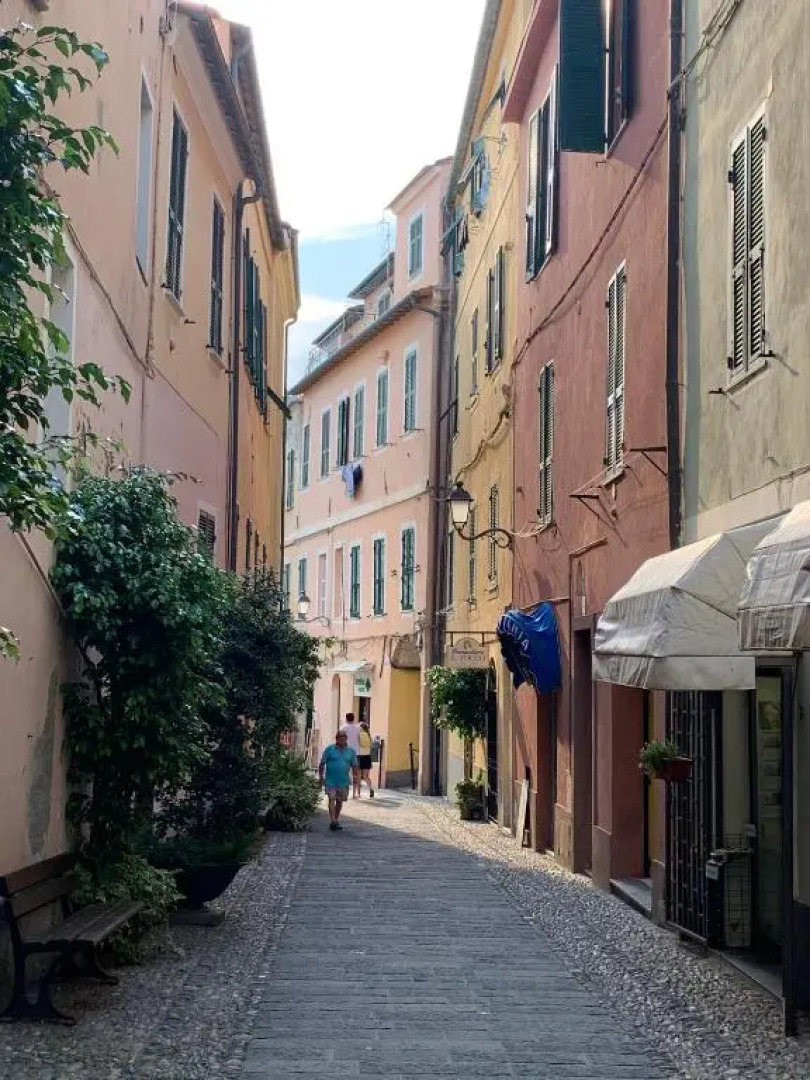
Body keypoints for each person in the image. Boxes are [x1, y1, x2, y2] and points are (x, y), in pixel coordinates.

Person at [318, 729, 358, 831]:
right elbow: (322, 763)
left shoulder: (351, 751)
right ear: (337, 739)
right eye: (341, 737)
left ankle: (335, 819)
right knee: (331, 799)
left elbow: (354, 765)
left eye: (345, 737)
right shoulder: (329, 749)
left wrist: (355, 777)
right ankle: (333, 821)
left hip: (344, 781)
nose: (343, 739)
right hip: (330, 780)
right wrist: (321, 777)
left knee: (339, 802)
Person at [339, 712, 361, 797]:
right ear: (353, 718)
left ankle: (344, 791)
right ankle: (355, 794)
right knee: (355, 773)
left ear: (346, 718)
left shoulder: (343, 728)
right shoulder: (357, 728)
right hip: (356, 753)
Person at [357, 720, 375, 799]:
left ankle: (358, 793)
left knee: (358, 776)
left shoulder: (359, 735)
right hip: (367, 757)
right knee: (366, 776)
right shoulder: (369, 736)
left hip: (360, 757)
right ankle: (371, 789)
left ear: (361, 728)